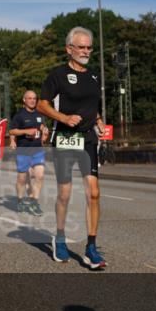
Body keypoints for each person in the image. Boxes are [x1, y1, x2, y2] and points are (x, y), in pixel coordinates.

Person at [37, 27, 107, 270]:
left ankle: (90, 247)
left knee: (94, 192)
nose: (86, 51)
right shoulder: (58, 75)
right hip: (66, 137)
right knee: (65, 193)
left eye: (89, 47)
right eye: (82, 47)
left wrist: (98, 120)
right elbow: (42, 105)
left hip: (88, 139)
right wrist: (64, 118)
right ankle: (60, 237)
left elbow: (91, 105)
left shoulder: (94, 76)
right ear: (69, 49)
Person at [8, 90, 49, 215]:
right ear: (24, 100)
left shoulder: (38, 114)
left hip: (37, 150)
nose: (32, 100)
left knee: (40, 176)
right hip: (23, 151)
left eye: (34, 98)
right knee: (22, 179)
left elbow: (40, 125)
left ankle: (34, 202)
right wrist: (25, 132)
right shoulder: (19, 115)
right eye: (29, 98)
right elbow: (12, 131)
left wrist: (44, 130)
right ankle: (20, 201)